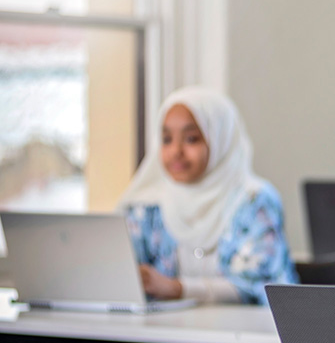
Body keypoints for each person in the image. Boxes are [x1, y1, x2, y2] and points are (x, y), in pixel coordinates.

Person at [118, 86, 298, 305]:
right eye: (166, 139)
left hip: (251, 334)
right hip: (167, 332)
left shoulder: (254, 201)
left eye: (191, 139)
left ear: (220, 140)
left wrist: (178, 289)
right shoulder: (148, 207)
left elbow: (259, 287)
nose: (176, 151)